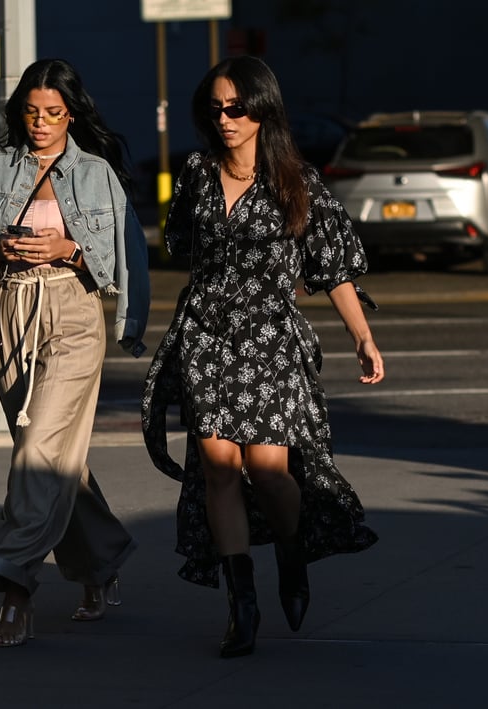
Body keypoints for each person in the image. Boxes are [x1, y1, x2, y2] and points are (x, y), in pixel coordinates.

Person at [141, 56, 383, 658]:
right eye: (216, 108)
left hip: (269, 336)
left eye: (237, 107)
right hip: (206, 334)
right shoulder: (195, 172)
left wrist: (361, 336)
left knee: (271, 472)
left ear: (263, 109)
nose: (225, 118)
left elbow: (334, 267)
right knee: (219, 466)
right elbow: (178, 242)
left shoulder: (295, 178)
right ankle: (241, 604)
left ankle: (292, 551)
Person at [0, 58, 150, 648]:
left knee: (37, 451)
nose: (41, 123)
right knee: (54, 459)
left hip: (73, 314)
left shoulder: (97, 173)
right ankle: (101, 566)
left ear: (71, 113)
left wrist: (70, 247)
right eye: (31, 112)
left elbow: (127, 254)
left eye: (53, 113)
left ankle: (10, 583)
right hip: (10, 314)